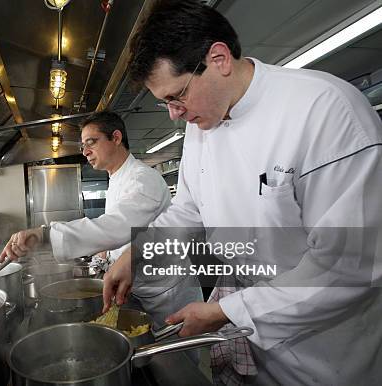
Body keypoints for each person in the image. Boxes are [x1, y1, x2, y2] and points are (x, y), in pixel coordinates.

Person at [102, 0, 382, 384]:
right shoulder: (203, 127)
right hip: (249, 334)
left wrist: (228, 311)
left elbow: (346, 266)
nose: (174, 113)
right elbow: (188, 211)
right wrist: (138, 254)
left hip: (323, 350)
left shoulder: (325, 111)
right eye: (165, 102)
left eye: (177, 95)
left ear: (218, 58)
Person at [0, 111, 202, 327]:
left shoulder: (143, 179)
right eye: (83, 146)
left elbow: (118, 226)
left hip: (166, 293)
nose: (85, 152)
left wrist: (45, 234)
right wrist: (106, 251)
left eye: (91, 142)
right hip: (138, 286)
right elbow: (123, 228)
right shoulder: (116, 178)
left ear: (116, 138)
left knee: (175, 355)